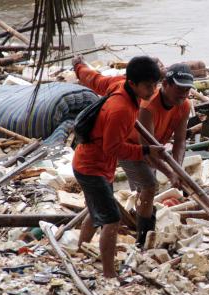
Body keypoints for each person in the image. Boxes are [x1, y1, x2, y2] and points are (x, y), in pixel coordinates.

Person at [71, 55, 165, 278]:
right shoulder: (120, 109)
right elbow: (113, 148)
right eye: (148, 86)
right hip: (91, 167)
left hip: (99, 166)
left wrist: (78, 65)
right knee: (112, 220)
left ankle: (79, 252)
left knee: (97, 211)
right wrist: (145, 151)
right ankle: (109, 274)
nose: (152, 91)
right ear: (133, 84)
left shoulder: (119, 83)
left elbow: (93, 79)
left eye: (155, 85)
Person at [120, 63, 193, 246]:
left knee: (145, 190)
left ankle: (142, 224)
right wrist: (170, 173)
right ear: (165, 84)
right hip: (131, 146)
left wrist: (177, 169)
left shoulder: (184, 105)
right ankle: (143, 236)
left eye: (187, 89)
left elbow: (180, 140)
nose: (183, 94)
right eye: (179, 88)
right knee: (149, 186)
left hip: (155, 146)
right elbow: (146, 151)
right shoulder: (148, 106)